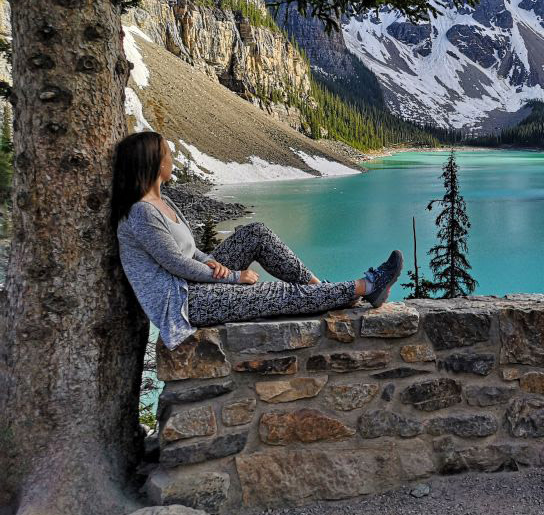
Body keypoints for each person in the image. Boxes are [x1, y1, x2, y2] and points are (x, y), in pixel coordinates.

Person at [113, 130, 402, 350]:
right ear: (152, 163)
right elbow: (175, 263)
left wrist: (212, 263)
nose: (171, 159)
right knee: (277, 295)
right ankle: (367, 287)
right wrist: (234, 277)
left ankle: (320, 289)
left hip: (193, 282)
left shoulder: (164, 202)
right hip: (184, 302)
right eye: (166, 155)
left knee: (256, 233)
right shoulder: (142, 212)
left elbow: (190, 252)